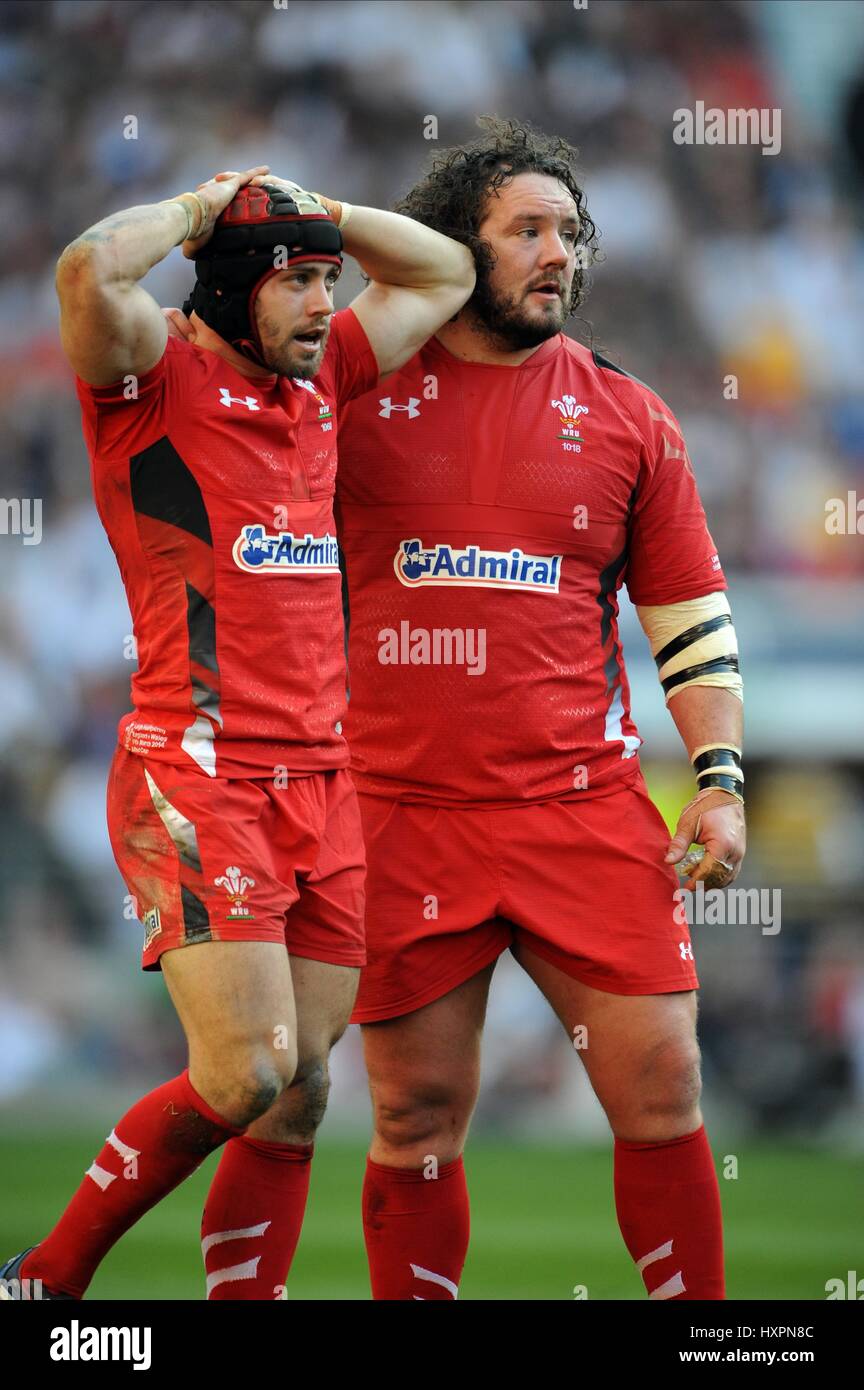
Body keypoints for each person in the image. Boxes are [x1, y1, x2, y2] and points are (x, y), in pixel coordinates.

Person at [0, 166, 474, 1302]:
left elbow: (447, 270)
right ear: (230, 286)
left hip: (324, 780)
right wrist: (205, 208)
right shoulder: (148, 375)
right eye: (299, 281)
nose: (326, 303)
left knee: (304, 1087)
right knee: (247, 1072)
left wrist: (316, 211)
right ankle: (42, 1281)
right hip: (201, 769)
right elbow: (84, 269)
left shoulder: (324, 379)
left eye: (329, 280)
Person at [334, 118, 746, 1301]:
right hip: (399, 813)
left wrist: (717, 783)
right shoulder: (352, 396)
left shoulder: (630, 416)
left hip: (581, 808)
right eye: (527, 230)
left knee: (664, 1085)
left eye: (570, 232)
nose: (558, 252)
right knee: (414, 1115)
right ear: (455, 247)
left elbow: (691, 623)